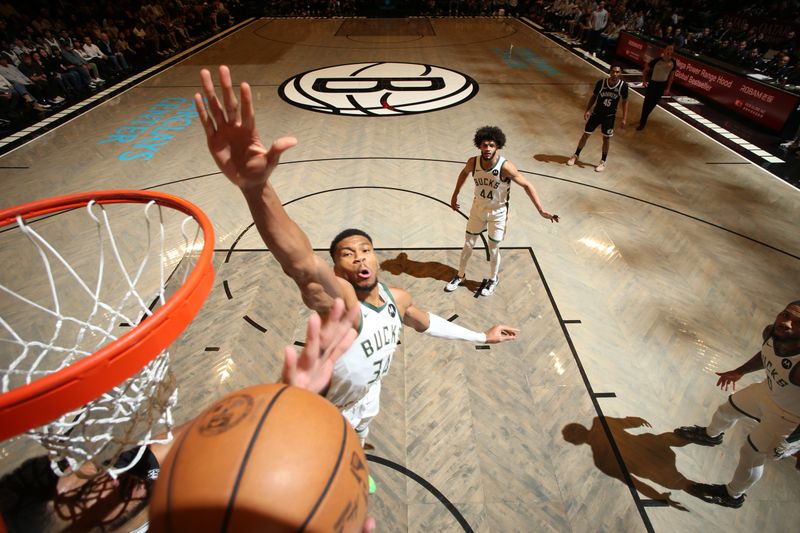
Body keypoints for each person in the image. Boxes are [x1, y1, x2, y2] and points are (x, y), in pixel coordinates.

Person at [194, 65, 519, 454]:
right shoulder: (343, 304)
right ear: (337, 269)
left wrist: (482, 336)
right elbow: (301, 263)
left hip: (367, 399)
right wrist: (256, 189)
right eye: (347, 254)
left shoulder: (396, 298)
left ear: (377, 259)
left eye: (365, 250)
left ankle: (360, 447)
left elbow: (426, 323)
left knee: (362, 436)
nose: (359, 257)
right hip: (326, 412)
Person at [0, 298, 376, 532]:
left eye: (91, 467)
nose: (107, 473)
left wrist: (285, 398)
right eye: (81, 483)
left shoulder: (130, 474)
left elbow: (202, 438)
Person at [674, 301, 800, 508]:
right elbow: (767, 353)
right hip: (770, 391)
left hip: (789, 418)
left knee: (751, 455)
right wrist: (740, 371)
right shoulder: (771, 332)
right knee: (727, 410)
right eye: (785, 314)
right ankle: (710, 436)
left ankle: (732, 495)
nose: (786, 323)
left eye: (797, 323)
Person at [445, 126, 559, 296]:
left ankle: (493, 279)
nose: (488, 149)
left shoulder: (505, 167)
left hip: (498, 213)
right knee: (468, 244)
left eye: (491, 145)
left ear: (497, 146)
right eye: (484, 145)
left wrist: (541, 209)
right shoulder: (473, 162)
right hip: (478, 208)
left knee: (493, 248)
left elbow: (527, 185)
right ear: (479, 146)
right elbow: (463, 174)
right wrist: (455, 195)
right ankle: (460, 275)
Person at [566, 64, 629, 172]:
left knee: (606, 138)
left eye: (617, 72)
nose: (615, 74)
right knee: (586, 134)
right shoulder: (601, 83)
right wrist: (587, 110)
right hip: (596, 114)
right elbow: (594, 97)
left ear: (620, 73)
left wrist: (624, 118)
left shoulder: (623, 86)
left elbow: (625, 102)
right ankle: (576, 155)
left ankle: (603, 161)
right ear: (610, 72)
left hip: (609, 116)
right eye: (613, 71)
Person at [636, 44, 677, 131]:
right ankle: (642, 122)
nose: (669, 51)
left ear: (672, 52)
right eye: (668, 49)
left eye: (671, 50)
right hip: (653, 84)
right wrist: (643, 81)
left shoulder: (673, 62)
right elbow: (646, 69)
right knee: (647, 103)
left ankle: (644, 118)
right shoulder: (657, 60)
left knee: (653, 103)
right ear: (664, 50)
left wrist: (668, 88)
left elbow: (671, 77)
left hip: (662, 85)